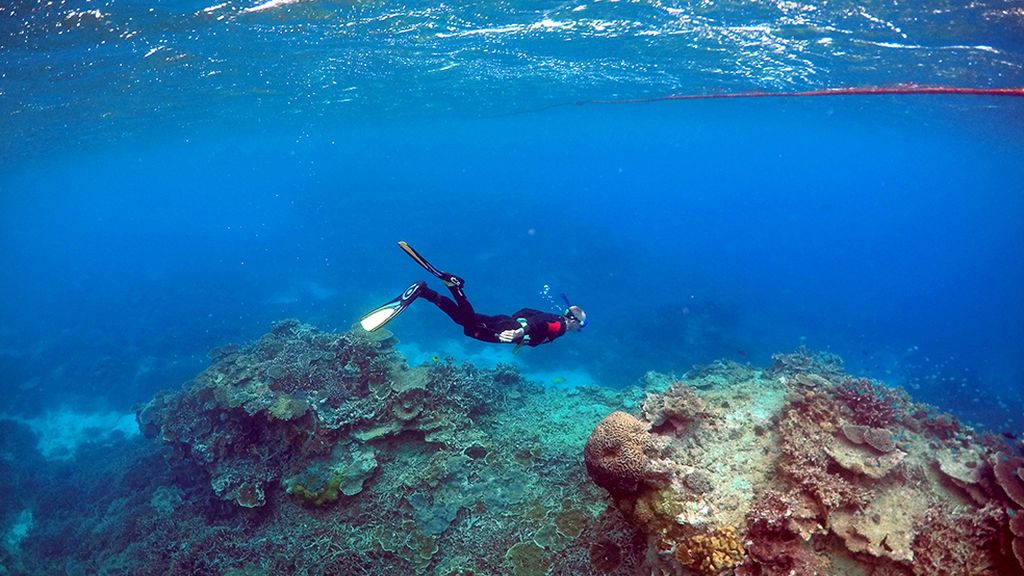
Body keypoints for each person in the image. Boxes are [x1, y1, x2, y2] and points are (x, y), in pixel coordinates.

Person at [359, 242, 587, 348]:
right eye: (582, 325)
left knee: (464, 320)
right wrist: (519, 331)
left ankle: (425, 292)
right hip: (507, 330)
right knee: (469, 326)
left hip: (506, 321)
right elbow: (539, 323)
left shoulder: (552, 316)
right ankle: (455, 287)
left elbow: (527, 312)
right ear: (574, 320)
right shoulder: (561, 326)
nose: (579, 329)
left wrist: (519, 324)